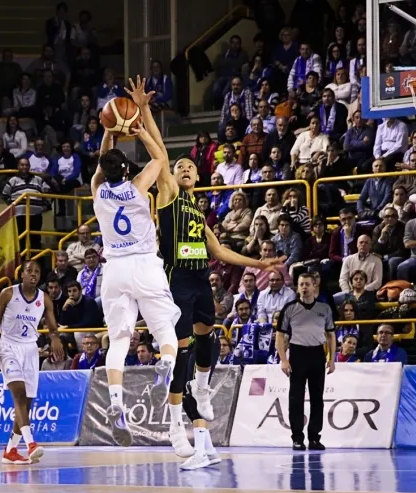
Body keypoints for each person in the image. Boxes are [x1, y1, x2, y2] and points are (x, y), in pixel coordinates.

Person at [125, 76, 284, 468]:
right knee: (182, 353)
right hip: (175, 279)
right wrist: (145, 109)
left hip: (201, 280)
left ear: (199, 177)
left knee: (205, 341)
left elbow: (222, 252)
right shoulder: (169, 196)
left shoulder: (199, 212)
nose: (183, 169)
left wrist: (260, 263)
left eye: (190, 167)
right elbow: (160, 152)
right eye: (179, 166)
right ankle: (177, 423)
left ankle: (202, 399)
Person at [89, 94, 179, 448]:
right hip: (144, 264)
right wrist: (139, 127)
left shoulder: (97, 192)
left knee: (119, 339)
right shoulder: (139, 185)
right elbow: (160, 158)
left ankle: (115, 403)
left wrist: (110, 130)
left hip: (114, 271)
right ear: (127, 170)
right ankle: (166, 367)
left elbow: (101, 164)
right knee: (163, 328)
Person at [0, 260, 63, 464]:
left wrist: (55, 339)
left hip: (30, 349)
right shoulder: (8, 294)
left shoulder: (45, 299)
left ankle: (10, 450)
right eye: (29, 271)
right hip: (8, 346)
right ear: (21, 274)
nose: (33, 274)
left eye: (37, 271)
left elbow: (52, 327)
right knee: (19, 395)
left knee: (27, 403)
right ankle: (31, 443)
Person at [276, 272, 336, 451]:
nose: (304, 287)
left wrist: (332, 359)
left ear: (314, 286)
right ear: (298, 287)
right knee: (296, 398)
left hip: (317, 354)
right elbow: (279, 335)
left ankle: (315, 438)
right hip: (297, 353)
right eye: (301, 284)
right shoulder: (289, 308)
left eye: (307, 284)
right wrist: (284, 360)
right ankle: (297, 438)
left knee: (317, 398)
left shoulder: (324, 309)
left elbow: (331, 335)